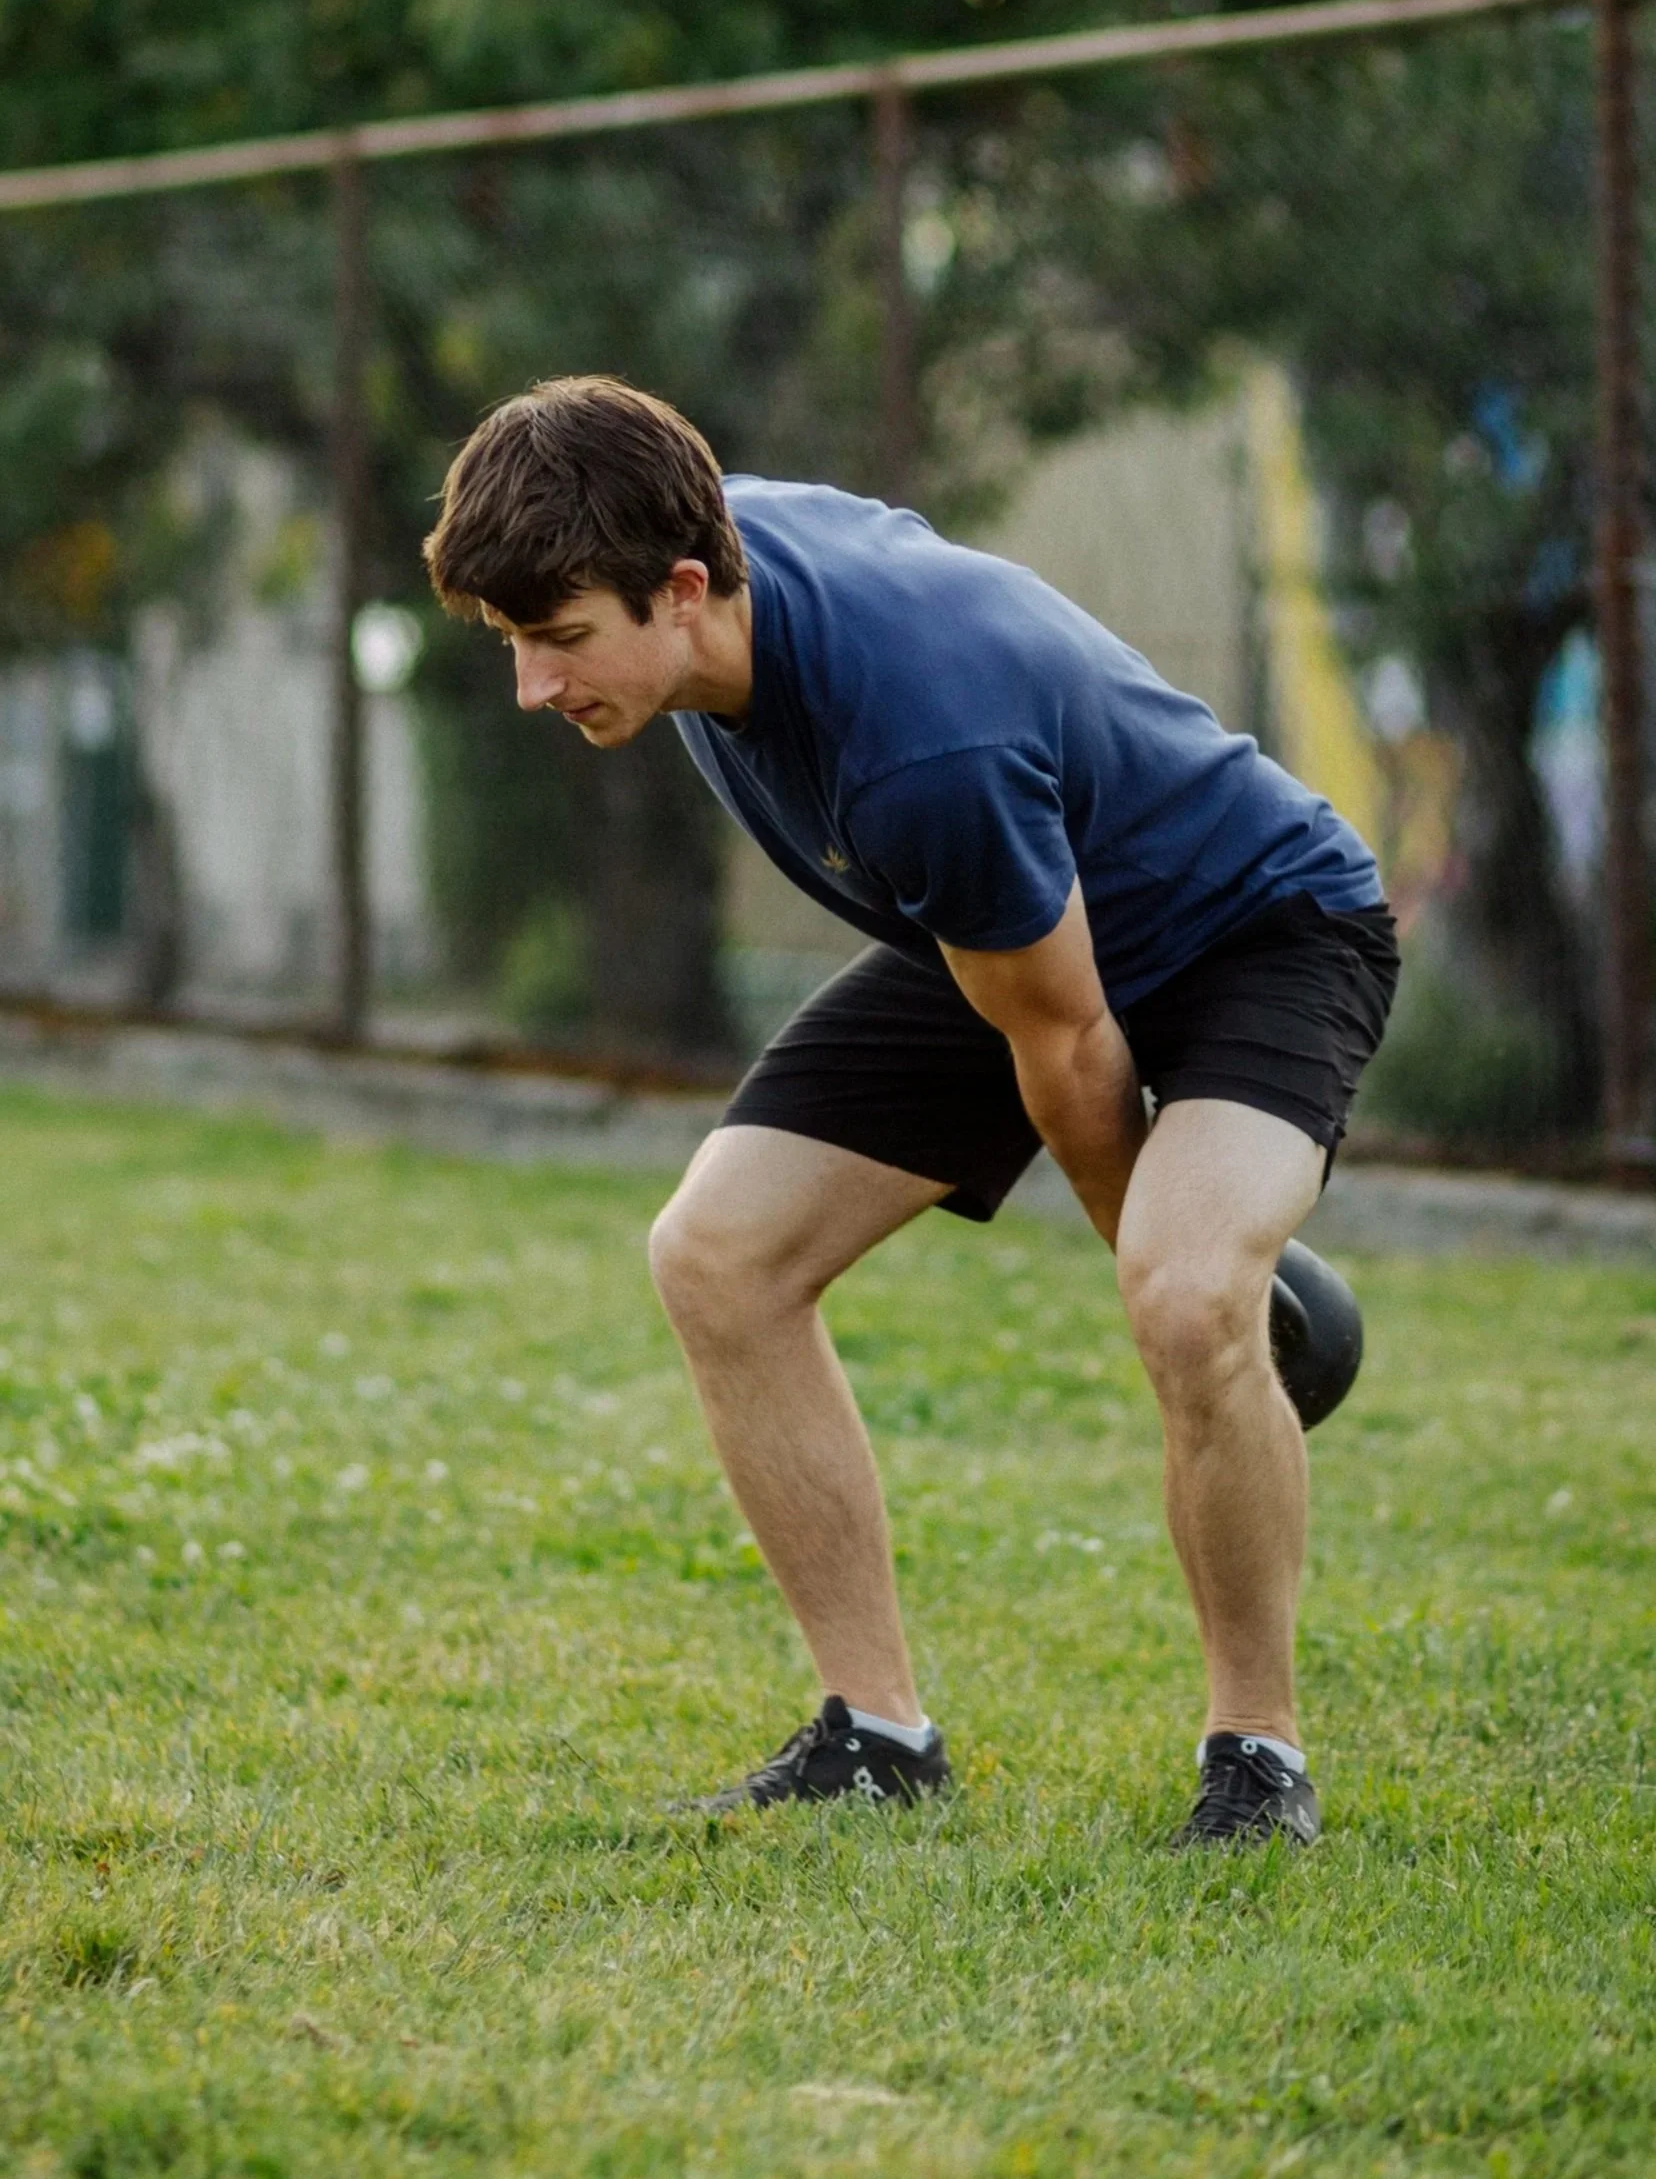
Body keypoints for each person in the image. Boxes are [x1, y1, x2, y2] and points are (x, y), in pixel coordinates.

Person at [423, 374, 1399, 1846]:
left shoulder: (918, 744)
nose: (537, 689)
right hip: (1011, 918)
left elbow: (1070, 1046)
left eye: (561, 642)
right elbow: (1033, 982)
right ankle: (876, 1738)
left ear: (686, 589)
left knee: (1191, 1300)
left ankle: (1257, 1759)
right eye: (515, 644)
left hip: (1255, 929)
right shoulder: (681, 538)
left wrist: (1165, 1265)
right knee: (719, 1256)